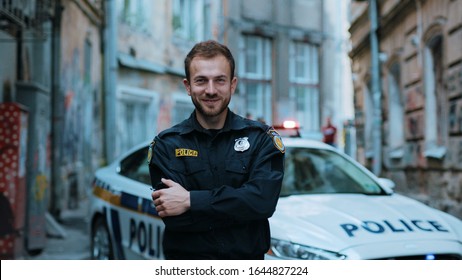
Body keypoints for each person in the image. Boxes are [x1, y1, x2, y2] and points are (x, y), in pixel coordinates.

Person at [147, 40, 285, 260]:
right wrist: (240, 206)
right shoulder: (167, 145)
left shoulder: (260, 139)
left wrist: (191, 200)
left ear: (232, 84)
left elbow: (262, 203)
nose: (210, 90)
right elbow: (176, 219)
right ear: (188, 86)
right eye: (201, 81)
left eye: (219, 80)